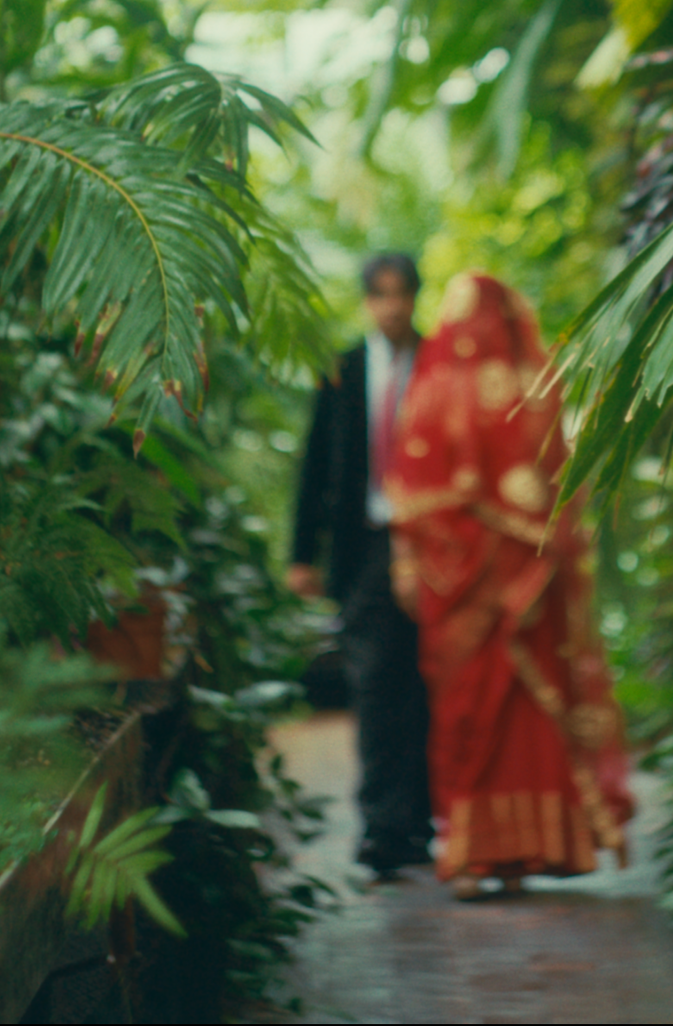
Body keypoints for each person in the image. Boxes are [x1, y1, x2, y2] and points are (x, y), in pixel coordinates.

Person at [387, 271, 633, 900]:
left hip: (521, 577)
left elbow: (556, 477)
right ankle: (483, 851)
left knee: (513, 707)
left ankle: (527, 848)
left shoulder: (529, 387)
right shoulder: (454, 386)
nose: (468, 334)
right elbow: (415, 485)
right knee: (470, 709)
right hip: (479, 581)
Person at [288, 252, 436, 878]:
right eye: (379, 295)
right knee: (374, 687)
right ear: (367, 302)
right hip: (364, 548)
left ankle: (419, 826)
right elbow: (315, 462)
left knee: (424, 686)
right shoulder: (341, 370)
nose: (391, 306)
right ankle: (381, 828)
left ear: (414, 298)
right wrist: (301, 553)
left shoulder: (438, 364)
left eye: (401, 294)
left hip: (429, 546)